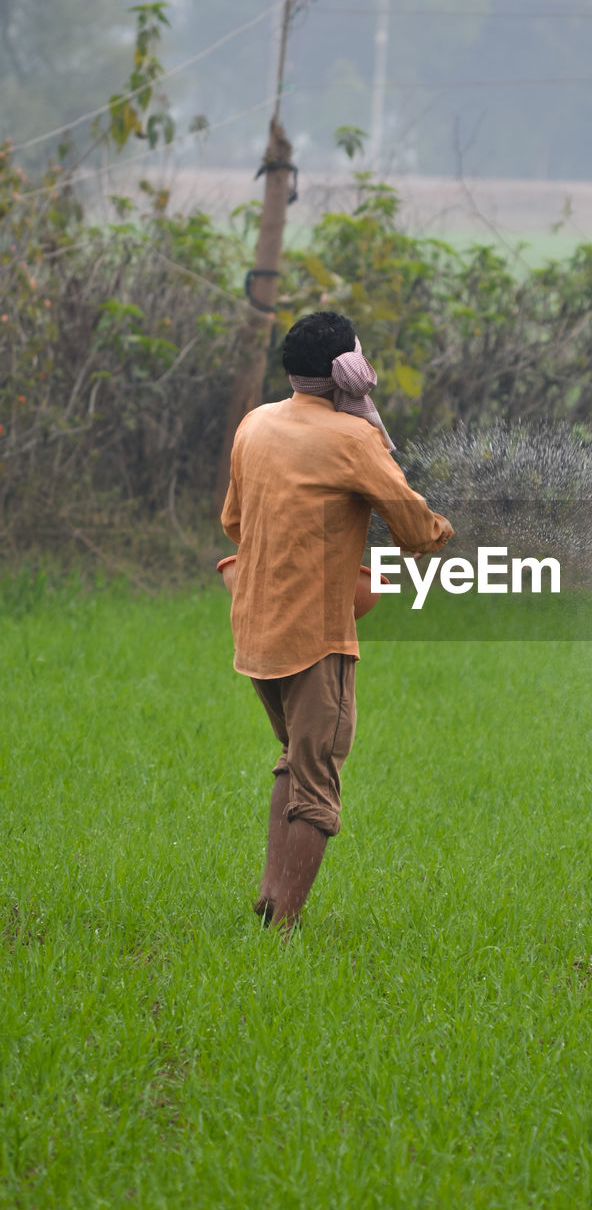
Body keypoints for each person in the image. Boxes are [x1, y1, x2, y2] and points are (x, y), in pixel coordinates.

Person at [220, 311, 453, 932]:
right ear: (349, 371)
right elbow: (412, 526)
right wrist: (437, 531)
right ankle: (282, 932)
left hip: (255, 628)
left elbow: (235, 524)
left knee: (296, 758)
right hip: (314, 638)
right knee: (318, 778)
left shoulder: (256, 424)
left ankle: (271, 901)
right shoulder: (353, 440)